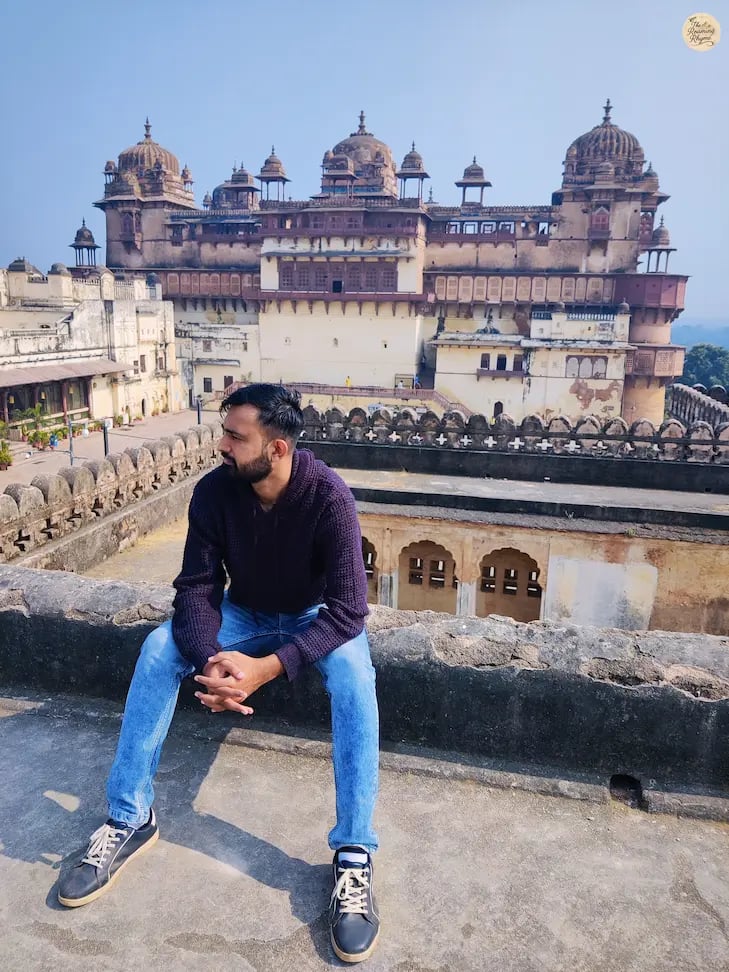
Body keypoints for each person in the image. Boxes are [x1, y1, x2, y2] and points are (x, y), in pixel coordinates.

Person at [57, 383, 381, 964]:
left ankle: (353, 854)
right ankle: (130, 817)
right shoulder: (214, 493)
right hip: (244, 611)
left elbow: (349, 610)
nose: (222, 446)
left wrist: (264, 670)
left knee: (357, 678)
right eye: (223, 433)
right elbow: (197, 588)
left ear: (277, 448)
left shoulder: (328, 496)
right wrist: (212, 660)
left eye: (236, 436)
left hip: (311, 616)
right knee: (160, 650)